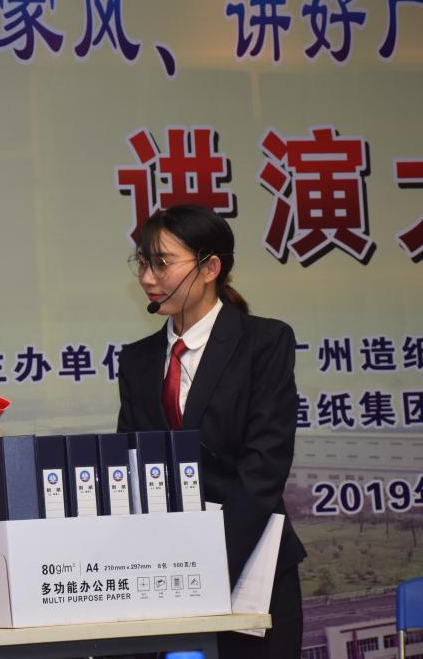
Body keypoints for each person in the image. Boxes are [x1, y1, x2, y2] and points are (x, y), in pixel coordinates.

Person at [116, 205, 307, 658]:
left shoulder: (264, 342)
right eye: (142, 262)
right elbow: (130, 465)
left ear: (210, 268)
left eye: (162, 263)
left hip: (251, 564)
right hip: (164, 573)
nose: (147, 277)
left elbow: (263, 469)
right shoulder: (137, 359)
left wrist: (210, 566)